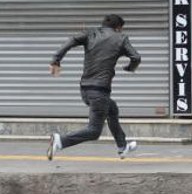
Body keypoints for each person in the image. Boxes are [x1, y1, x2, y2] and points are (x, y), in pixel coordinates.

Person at [47, 14, 142, 161]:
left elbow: (71, 41)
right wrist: (130, 68)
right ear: (118, 28)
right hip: (99, 91)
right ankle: (61, 141)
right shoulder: (121, 38)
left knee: (112, 109)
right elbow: (136, 58)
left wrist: (56, 60)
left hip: (85, 89)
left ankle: (122, 147)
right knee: (94, 131)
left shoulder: (90, 33)